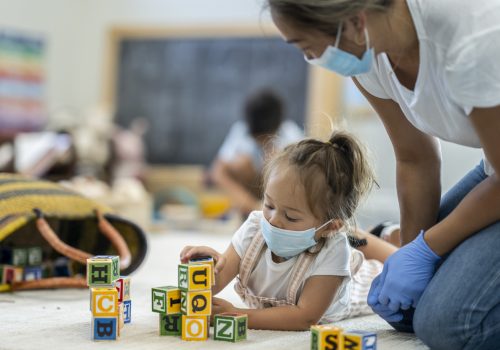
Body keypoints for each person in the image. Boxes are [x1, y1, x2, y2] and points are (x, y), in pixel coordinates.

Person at [265, 0, 500, 348]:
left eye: (307, 47)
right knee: (404, 312)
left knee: (450, 326)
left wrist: (427, 249)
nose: (312, 58)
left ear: (355, 21)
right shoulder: (368, 54)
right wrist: (410, 249)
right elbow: (415, 158)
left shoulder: (472, 37)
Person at [181, 131, 399, 330]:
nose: (274, 220)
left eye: (291, 216)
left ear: (329, 226)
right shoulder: (254, 228)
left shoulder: (334, 250)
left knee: (397, 266)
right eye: (269, 205)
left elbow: (304, 317)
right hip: (333, 237)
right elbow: (211, 286)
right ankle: (373, 234)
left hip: (362, 279)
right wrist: (206, 268)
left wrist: (236, 314)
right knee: (352, 239)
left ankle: (383, 235)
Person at [210, 89, 303, 216]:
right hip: (252, 199)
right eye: (258, 138)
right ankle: (255, 208)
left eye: (265, 138)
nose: (261, 142)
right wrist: (248, 203)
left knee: (279, 160)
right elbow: (218, 171)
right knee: (242, 163)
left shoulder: (290, 134)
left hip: (280, 197)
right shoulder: (241, 131)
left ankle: (274, 209)